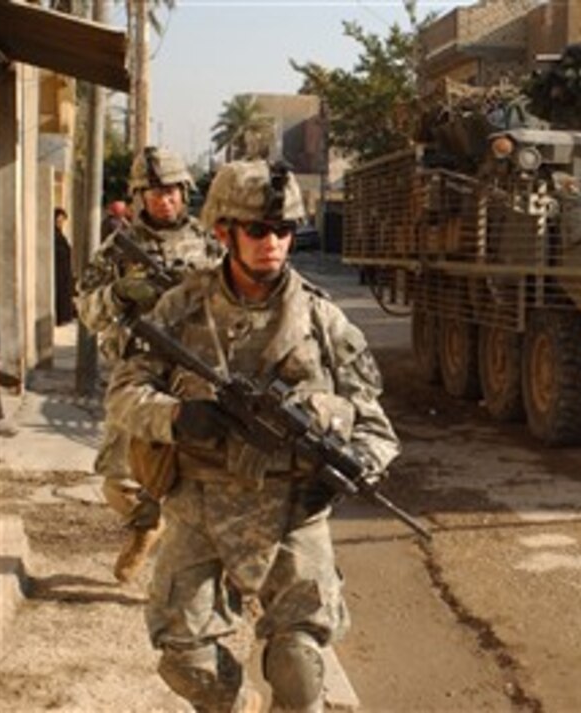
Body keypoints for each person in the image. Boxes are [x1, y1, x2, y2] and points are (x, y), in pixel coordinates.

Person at [105, 159, 400, 713]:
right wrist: (176, 417)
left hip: (293, 506)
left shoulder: (322, 321)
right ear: (224, 231)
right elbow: (122, 396)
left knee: (300, 663)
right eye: (258, 230)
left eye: (284, 231)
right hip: (196, 502)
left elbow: (375, 427)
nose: (273, 243)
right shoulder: (180, 309)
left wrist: (352, 468)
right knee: (184, 657)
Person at [76, 146, 225, 583]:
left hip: (195, 372)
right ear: (140, 196)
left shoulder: (210, 243)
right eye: (154, 192)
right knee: (116, 477)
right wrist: (119, 294)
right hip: (138, 373)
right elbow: (87, 310)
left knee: (202, 472)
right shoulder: (119, 248)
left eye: (172, 191)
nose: (164, 200)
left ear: (185, 191)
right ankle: (147, 526)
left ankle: (201, 566)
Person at [53, 207, 75, 326]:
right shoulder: (54, 234)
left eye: (62, 221)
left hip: (63, 269)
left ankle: (64, 316)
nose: (61, 223)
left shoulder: (59, 234)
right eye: (59, 221)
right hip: (58, 270)